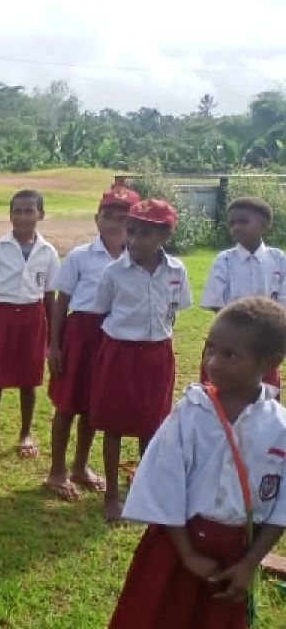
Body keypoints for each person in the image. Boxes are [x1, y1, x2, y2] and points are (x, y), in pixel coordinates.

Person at [101, 296, 286, 629]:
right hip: (176, 546)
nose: (214, 362)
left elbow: (281, 506)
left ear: (270, 364)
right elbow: (163, 482)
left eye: (230, 355)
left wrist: (250, 563)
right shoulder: (189, 414)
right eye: (210, 349)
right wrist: (187, 554)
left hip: (235, 557)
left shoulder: (279, 428)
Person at [90, 198, 191, 522]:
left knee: (152, 424)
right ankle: (111, 496)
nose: (133, 240)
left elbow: (175, 309)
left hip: (157, 356)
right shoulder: (113, 272)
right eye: (130, 232)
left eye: (144, 234)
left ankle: (144, 490)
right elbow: (102, 311)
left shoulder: (177, 271)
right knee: (114, 425)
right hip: (120, 354)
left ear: (164, 236)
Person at [43, 185, 139, 501]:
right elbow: (61, 302)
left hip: (113, 337)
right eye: (108, 215)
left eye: (123, 217)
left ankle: (80, 467)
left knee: (93, 407)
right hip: (80, 333)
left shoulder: (137, 260)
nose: (114, 223)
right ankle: (57, 471)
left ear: (135, 223)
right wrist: (54, 345)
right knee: (68, 404)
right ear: (97, 219)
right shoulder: (80, 256)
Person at [0, 189, 61, 458]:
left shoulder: (48, 252)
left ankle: (25, 433)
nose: (23, 217)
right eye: (17, 211)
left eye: (29, 211)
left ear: (40, 215)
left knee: (29, 379)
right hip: (1, 317)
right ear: (10, 215)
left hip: (33, 320)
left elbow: (49, 296)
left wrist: (52, 336)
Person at [200, 196, 286, 387]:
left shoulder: (279, 259)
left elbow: (282, 301)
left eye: (243, 221)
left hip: (264, 340)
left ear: (264, 225)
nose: (236, 227)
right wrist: (237, 332)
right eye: (232, 223)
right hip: (230, 340)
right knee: (221, 391)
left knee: (263, 391)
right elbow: (216, 302)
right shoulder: (225, 260)